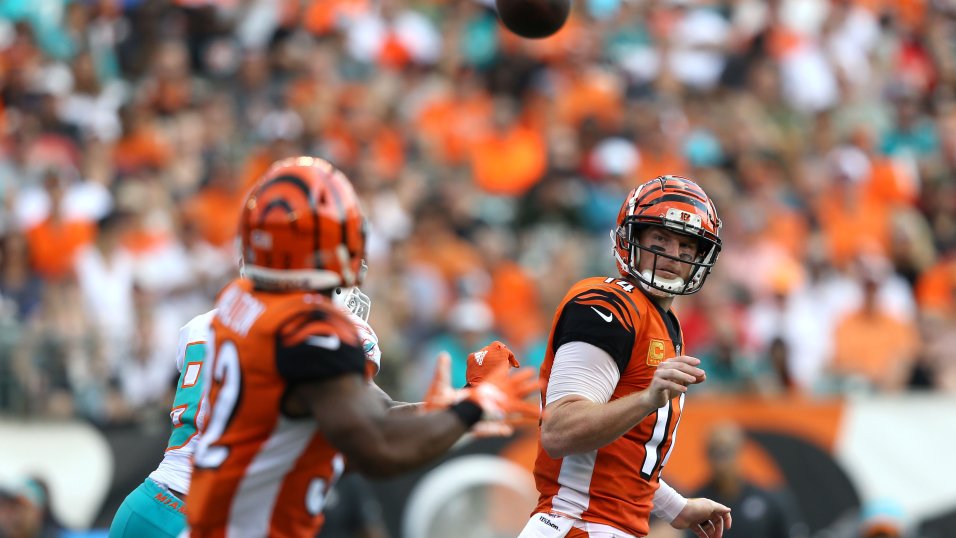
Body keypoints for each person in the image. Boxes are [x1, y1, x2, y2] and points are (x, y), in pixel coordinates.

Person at [184, 157, 539, 537]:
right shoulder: (307, 330)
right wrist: (475, 409)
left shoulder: (242, 299)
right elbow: (375, 449)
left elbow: (367, 414)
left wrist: (455, 406)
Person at [518, 175, 733, 538]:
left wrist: (676, 508)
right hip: (577, 524)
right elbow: (559, 431)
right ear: (631, 238)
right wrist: (647, 399)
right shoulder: (608, 304)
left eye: (685, 245)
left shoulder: (665, 322)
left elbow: (622, 456)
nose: (672, 254)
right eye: (660, 239)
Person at [689, 423, 806, 538]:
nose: (720, 461)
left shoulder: (769, 501)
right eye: (714, 452)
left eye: (725, 451)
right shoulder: (697, 503)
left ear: (739, 450)